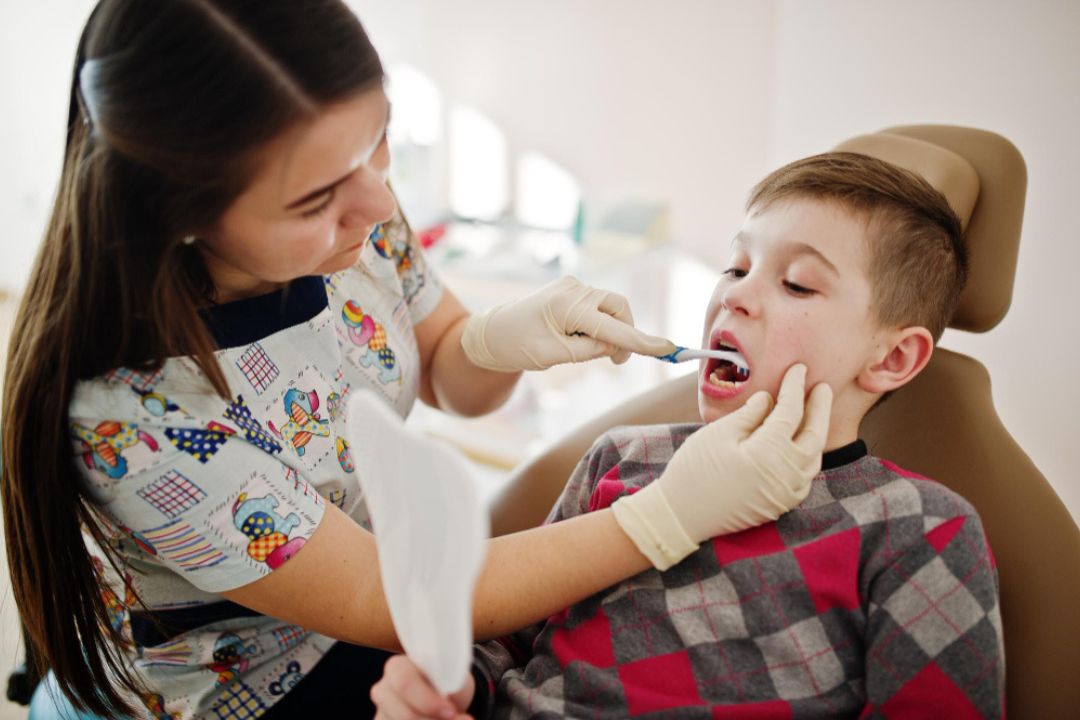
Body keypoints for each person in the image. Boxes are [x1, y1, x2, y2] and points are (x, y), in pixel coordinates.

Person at [0, 2, 832, 718]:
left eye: (380, 142)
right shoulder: (135, 420)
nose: (377, 200)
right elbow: (381, 597)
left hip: (381, 600)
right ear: (181, 211)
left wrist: (498, 340)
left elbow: (447, 372)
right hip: (249, 687)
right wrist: (668, 516)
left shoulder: (359, 217)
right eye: (317, 198)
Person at [371, 152, 1005, 719]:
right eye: (735, 268)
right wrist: (454, 687)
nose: (737, 296)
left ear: (892, 359)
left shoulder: (919, 528)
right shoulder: (623, 457)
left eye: (797, 283)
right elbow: (508, 638)